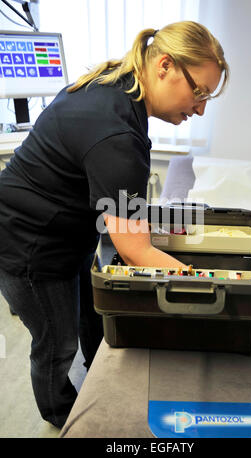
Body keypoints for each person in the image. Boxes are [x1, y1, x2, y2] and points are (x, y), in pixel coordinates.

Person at [0, 21, 229, 428]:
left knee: (93, 312)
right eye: (199, 92)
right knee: (57, 341)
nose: (200, 108)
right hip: (27, 242)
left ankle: (98, 377)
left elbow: (121, 210)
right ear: (164, 66)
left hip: (69, 225)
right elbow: (135, 249)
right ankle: (64, 416)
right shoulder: (115, 132)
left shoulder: (119, 86)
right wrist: (205, 284)